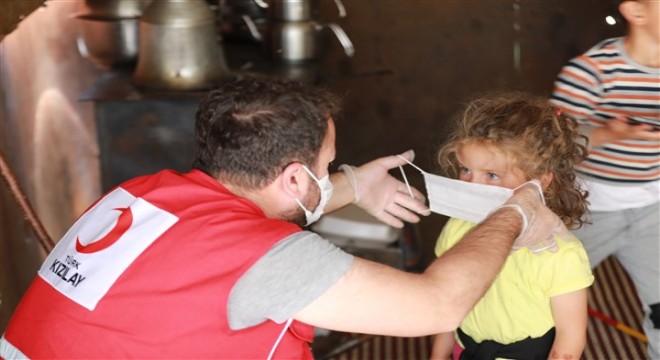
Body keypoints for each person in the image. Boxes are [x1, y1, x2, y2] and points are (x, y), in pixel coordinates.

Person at [1, 77, 561, 359]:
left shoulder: (139, 194)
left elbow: (259, 207)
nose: (330, 171)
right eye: (326, 163)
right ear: (294, 176)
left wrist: (349, 186)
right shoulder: (262, 258)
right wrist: (514, 210)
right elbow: (439, 305)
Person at [430, 93, 594, 360]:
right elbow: (445, 300)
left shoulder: (560, 254)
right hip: (466, 350)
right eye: (465, 170)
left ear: (539, 181)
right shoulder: (458, 228)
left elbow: (569, 343)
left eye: (492, 175)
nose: (473, 186)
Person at [550, 0, 660, 357]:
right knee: (540, 300)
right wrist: (607, 134)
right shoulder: (590, 72)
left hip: (653, 208)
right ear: (637, 12)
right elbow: (552, 142)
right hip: (587, 210)